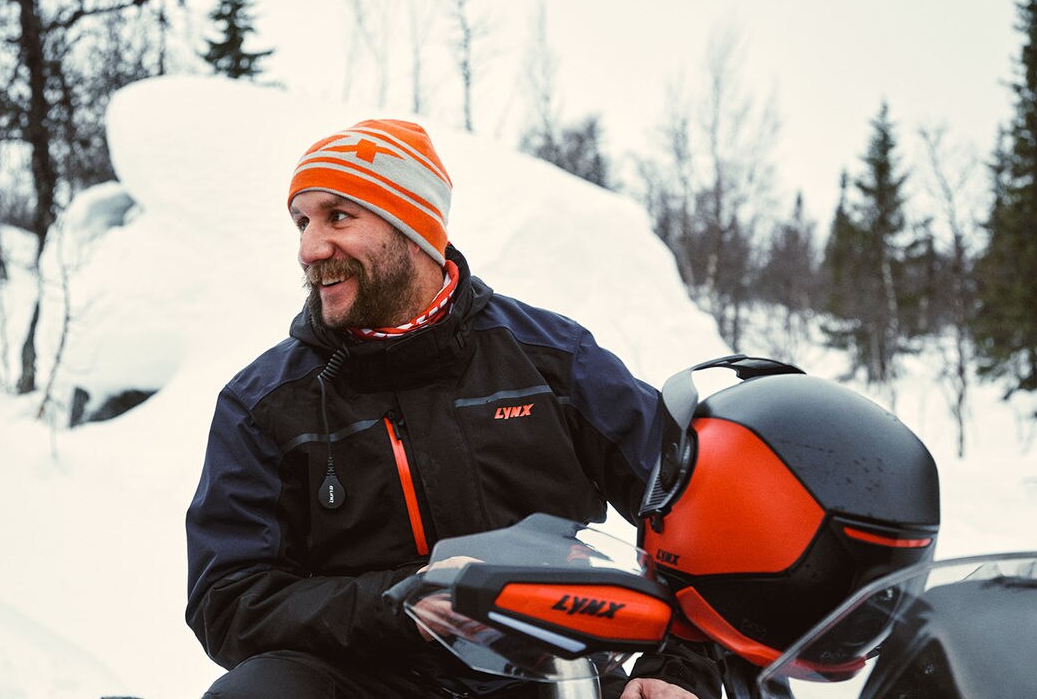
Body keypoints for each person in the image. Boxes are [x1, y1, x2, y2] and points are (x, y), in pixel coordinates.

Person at [185, 118, 709, 698]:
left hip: (557, 675)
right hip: (364, 678)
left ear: (413, 228)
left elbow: (700, 516)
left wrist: (678, 670)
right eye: (302, 222)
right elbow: (227, 600)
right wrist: (404, 602)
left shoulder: (552, 359)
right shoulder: (264, 403)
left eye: (338, 216)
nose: (310, 249)